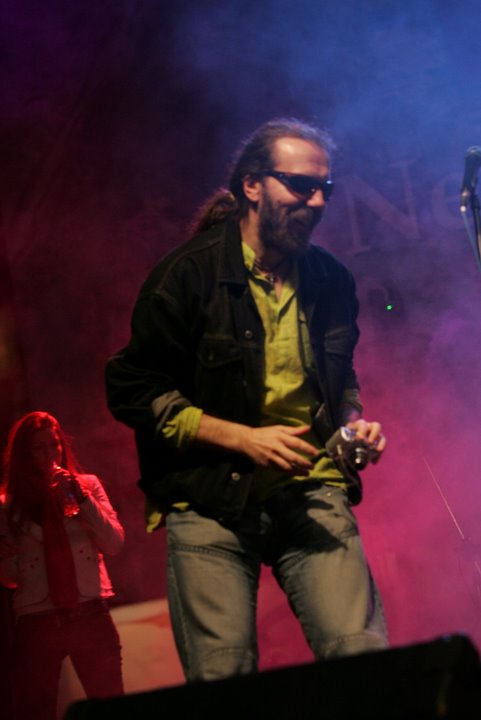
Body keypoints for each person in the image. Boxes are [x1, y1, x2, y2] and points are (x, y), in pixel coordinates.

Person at [105, 117, 389, 682]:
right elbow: (131, 388)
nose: (317, 201)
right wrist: (242, 439)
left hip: (310, 489)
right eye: (300, 186)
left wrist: (351, 426)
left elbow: (341, 381)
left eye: (325, 189)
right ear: (252, 186)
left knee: (364, 659)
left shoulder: (331, 279)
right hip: (209, 498)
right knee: (223, 679)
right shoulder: (187, 276)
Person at [0, 411, 125, 720]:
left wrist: (82, 499)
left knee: (110, 706)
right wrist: (13, 556)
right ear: (25, 455)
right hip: (38, 619)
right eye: (39, 448)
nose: (50, 455)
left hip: (89, 612)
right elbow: (8, 578)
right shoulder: (7, 504)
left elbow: (114, 543)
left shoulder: (87, 485)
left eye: (54, 445)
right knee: (36, 711)